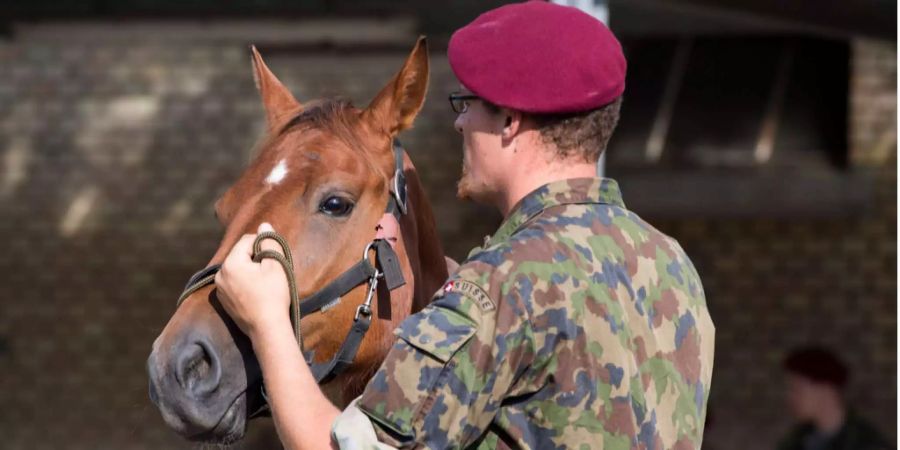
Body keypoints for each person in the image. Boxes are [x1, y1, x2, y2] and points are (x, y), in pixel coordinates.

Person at [215, 1, 715, 448]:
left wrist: (267, 322)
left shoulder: (500, 287)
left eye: (467, 104)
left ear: (511, 121)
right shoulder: (672, 265)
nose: (459, 124)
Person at [778, 346, 893, 450]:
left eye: (798, 389)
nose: (791, 397)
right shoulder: (795, 441)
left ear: (826, 389)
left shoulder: (866, 444)